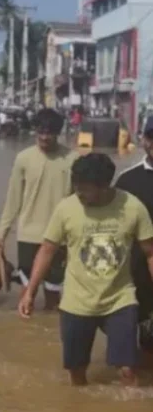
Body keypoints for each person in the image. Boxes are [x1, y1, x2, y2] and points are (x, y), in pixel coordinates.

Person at [19, 153, 153, 386]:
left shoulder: (132, 207)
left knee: (128, 370)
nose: (78, 193)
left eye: (85, 189)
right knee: (77, 372)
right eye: (76, 187)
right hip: (76, 302)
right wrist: (29, 292)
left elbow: (150, 253)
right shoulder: (66, 208)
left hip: (120, 300)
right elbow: (47, 250)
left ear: (104, 186)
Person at [0, 108, 79, 312]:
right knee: (26, 290)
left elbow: (79, 201)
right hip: (28, 235)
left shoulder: (72, 159)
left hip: (60, 237)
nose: (44, 137)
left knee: (53, 293)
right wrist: (0, 235)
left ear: (58, 133)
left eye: (49, 132)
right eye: (40, 131)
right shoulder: (23, 158)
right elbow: (13, 200)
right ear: (35, 131)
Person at [113, 117, 153, 351]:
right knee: (145, 339)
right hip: (139, 272)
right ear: (144, 140)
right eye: (151, 137)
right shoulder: (127, 180)